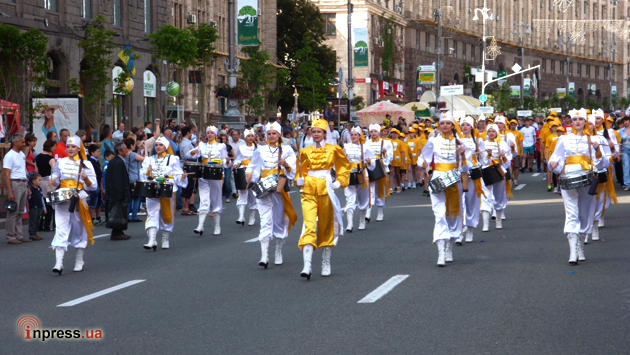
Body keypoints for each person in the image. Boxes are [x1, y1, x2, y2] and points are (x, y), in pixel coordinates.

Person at [549, 108, 609, 264]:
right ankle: (572, 252)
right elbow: (556, 158)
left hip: (587, 179)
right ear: (571, 121)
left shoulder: (593, 139)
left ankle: (581, 246)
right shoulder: (564, 139)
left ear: (585, 122)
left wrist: (597, 149)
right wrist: (554, 164)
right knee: (571, 214)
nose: (577, 122)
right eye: (574, 119)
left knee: (584, 214)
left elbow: (603, 164)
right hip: (568, 178)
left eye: (580, 119)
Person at [296, 118, 352, 279]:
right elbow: (301, 171)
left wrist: (339, 182)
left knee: (327, 226)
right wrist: (299, 180)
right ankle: (307, 265)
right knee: (309, 225)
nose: (316, 134)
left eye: (319, 132)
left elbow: (344, 167)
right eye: (313, 132)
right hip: (308, 189)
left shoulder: (334, 149)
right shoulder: (304, 151)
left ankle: (325, 262)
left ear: (324, 133)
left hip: (326, 188)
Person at [245, 122, 297, 268]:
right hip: (263, 188)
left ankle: (278, 251)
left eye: (274, 133)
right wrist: (249, 174)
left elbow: (293, 170)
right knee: (265, 220)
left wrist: (286, 164)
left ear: (279, 134)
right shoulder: (260, 149)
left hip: (280, 187)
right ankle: (264, 256)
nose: (272, 136)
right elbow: (253, 165)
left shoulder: (287, 149)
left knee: (280, 221)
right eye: (269, 133)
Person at [419, 112, 466, 266]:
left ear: (453, 126)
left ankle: (449, 248)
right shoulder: (433, 140)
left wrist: (463, 156)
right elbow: (422, 157)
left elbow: (466, 168)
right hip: (438, 177)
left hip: (454, 179)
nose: (445, 125)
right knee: (439, 214)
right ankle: (440, 253)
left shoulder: (460, 143)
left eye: (448, 123)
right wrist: (425, 166)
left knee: (453, 214)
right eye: (442, 123)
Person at [48, 135, 98, 274]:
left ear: (78, 148)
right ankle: (58, 263)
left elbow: (93, 187)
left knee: (79, 228)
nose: (70, 149)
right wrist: (52, 181)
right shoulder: (61, 162)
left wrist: (86, 179)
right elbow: (56, 179)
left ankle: (79, 259)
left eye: (73, 147)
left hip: (78, 199)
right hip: (62, 198)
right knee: (61, 227)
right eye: (68, 146)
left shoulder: (86, 164)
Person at [141, 137, 188, 250]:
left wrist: (182, 177)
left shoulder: (173, 159)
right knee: (152, 213)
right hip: (153, 189)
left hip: (168, 190)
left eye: (160, 145)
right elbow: (143, 175)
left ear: (166, 147)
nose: (158, 147)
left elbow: (177, 175)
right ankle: (152, 240)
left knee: (167, 214)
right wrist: (148, 172)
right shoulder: (149, 159)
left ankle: (165, 238)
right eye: (156, 145)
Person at [455, 116, 487, 245]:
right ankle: (459, 231)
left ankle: (470, 228)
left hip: (473, 173)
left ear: (472, 126)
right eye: (463, 125)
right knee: (460, 202)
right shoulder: (457, 140)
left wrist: (487, 154)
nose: (465, 127)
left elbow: (484, 160)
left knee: (471, 202)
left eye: (467, 125)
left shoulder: (478, 140)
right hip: (460, 173)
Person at [193, 126, 228, 236]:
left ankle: (217, 225)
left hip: (216, 175)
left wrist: (223, 161)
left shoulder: (221, 146)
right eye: (208, 132)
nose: (209, 134)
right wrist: (195, 149)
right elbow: (194, 154)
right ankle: (200, 225)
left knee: (216, 199)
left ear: (215, 134)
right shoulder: (202, 145)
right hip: (204, 174)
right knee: (203, 199)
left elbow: (224, 161)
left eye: (212, 133)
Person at [590, 109, 619, 240]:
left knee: (603, 193)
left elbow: (614, 151)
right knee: (589, 196)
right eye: (592, 120)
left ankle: (599, 217)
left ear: (603, 120)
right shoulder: (583, 136)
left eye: (597, 119)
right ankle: (590, 223)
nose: (595, 122)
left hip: (604, 166)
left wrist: (612, 148)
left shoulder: (608, 133)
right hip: (588, 169)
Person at [343, 126, 376, 231]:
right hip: (349, 174)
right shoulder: (346, 147)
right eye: (352, 135)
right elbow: (341, 161)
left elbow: (373, 162)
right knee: (349, 198)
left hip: (362, 174)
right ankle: (350, 223)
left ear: (359, 136)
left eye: (355, 135)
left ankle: (362, 220)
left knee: (363, 199)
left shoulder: (365, 147)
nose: (353, 137)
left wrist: (369, 161)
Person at [480, 124, 512, 231]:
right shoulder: (482, 144)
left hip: (498, 170)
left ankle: (498, 220)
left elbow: (507, 161)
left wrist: (503, 157)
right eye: (489, 131)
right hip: (486, 171)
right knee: (485, 196)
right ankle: (486, 224)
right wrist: (488, 155)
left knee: (499, 196)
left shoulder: (502, 143)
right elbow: (482, 160)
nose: (491, 133)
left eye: (493, 131)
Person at [3, 134, 30, 244]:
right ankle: (10, 236)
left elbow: (23, 170)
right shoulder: (9, 156)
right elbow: (6, 175)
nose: (24, 144)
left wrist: (27, 186)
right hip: (15, 183)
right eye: (22, 142)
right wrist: (10, 191)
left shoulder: (21, 155)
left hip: (22, 183)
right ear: (16, 142)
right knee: (13, 211)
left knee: (19, 211)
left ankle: (19, 235)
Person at [104, 142, 131, 240]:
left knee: (118, 212)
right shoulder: (118, 162)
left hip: (113, 192)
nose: (127, 149)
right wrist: (120, 194)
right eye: (125, 148)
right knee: (118, 212)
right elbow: (117, 179)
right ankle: (116, 233)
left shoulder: (114, 161)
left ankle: (119, 231)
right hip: (117, 193)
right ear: (119, 151)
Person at [366, 124, 393, 222]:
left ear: (379, 132)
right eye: (372, 131)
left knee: (380, 189)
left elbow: (390, 156)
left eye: (375, 131)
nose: (373, 133)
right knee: (370, 189)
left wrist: (384, 153)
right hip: (370, 167)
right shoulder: (366, 143)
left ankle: (380, 211)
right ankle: (368, 210)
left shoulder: (386, 142)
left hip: (381, 167)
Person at [234, 129, 259, 226]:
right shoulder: (241, 147)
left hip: (254, 172)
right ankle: (241, 216)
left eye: (252, 136)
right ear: (245, 137)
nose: (250, 138)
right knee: (242, 193)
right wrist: (236, 164)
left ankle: (252, 217)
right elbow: (238, 159)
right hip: (243, 171)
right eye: (248, 136)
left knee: (253, 195)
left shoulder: (258, 147)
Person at [36, 139, 57, 231]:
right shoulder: (51, 159)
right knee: (50, 206)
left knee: (43, 205)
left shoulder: (38, 157)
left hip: (40, 182)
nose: (55, 147)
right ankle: (47, 225)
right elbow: (55, 170)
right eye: (54, 146)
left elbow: (36, 170)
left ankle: (40, 225)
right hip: (49, 183)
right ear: (51, 147)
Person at [122, 138, 145, 222]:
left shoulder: (125, 155)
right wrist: (145, 149)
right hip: (135, 178)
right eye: (134, 144)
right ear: (131, 146)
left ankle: (127, 216)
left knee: (129, 198)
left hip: (128, 178)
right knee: (136, 198)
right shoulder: (133, 155)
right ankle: (134, 216)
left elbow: (137, 157)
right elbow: (144, 159)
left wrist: (139, 149)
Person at [178, 126, 198, 215]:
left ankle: (186, 208)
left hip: (188, 166)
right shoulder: (185, 143)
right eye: (191, 132)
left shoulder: (186, 142)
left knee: (189, 187)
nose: (191, 134)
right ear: (188, 133)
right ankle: (185, 208)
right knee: (187, 187)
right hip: (187, 167)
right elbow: (187, 156)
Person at [87, 144, 104, 226]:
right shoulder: (90, 161)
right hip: (94, 184)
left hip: (99, 183)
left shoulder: (97, 161)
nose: (99, 153)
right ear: (92, 153)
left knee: (99, 202)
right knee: (93, 201)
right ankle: (93, 218)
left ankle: (98, 217)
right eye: (97, 151)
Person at [28, 173, 45, 241]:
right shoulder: (31, 189)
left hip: (40, 206)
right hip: (33, 207)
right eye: (39, 180)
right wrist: (29, 195)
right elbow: (29, 198)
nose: (40, 182)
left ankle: (35, 233)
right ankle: (32, 234)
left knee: (38, 220)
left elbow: (41, 198)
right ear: (33, 181)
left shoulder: (39, 189)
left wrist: (44, 208)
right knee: (33, 221)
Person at [219, 132, 234, 203]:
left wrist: (232, 162)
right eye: (223, 139)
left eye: (225, 139)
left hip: (228, 165)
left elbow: (234, 156)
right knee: (220, 181)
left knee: (227, 181)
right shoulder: (218, 147)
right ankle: (220, 195)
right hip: (220, 165)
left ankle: (227, 196)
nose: (224, 140)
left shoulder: (229, 147)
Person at [619, 116, 630, 190]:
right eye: (624, 121)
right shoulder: (621, 131)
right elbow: (619, 143)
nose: (625, 122)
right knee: (626, 167)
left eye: (627, 120)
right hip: (624, 150)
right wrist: (619, 154)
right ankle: (627, 184)